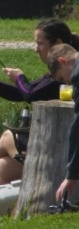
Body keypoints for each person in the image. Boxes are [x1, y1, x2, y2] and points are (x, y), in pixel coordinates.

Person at [0, 18, 79, 205]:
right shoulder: (59, 71)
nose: (36, 48)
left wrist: (19, 77)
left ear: (57, 44)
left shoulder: (66, 74)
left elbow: (29, 94)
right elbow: (22, 93)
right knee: (3, 168)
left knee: (8, 136)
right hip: (57, 142)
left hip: (61, 148)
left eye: (40, 43)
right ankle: (6, 216)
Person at [47, 44, 79, 202]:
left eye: (61, 78)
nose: (66, 82)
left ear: (63, 61)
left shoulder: (77, 75)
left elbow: (78, 126)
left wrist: (71, 175)